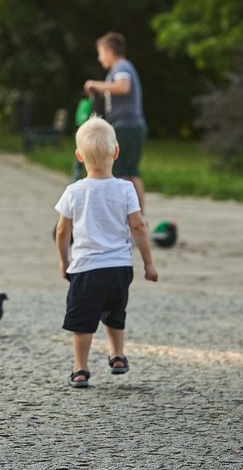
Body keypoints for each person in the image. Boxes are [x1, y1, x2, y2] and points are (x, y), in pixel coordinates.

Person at [55, 116, 158, 388]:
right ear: (116, 151)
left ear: (79, 156)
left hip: (86, 269)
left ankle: (80, 368)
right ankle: (118, 355)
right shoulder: (126, 189)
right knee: (115, 313)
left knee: (82, 322)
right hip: (119, 269)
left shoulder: (74, 191)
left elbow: (62, 231)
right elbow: (138, 226)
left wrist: (63, 260)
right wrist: (148, 264)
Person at [82, 32, 147, 214]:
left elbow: (123, 87)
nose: (99, 57)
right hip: (126, 126)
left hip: (127, 127)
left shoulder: (121, 66)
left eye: (101, 52)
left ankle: (136, 218)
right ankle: (134, 217)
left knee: (128, 173)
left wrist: (96, 84)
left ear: (110, 51)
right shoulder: (117, 69)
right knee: (127, 173)